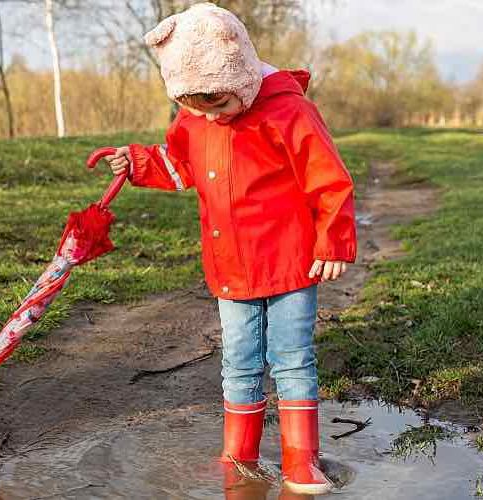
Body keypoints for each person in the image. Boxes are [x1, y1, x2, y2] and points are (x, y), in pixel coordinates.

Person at [104, 3, 356, 495]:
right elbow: (180, 165)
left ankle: (300, 461)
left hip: (290, 263)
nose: (207, 115)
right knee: (239, 360)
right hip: (231, 269)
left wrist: (334, 241)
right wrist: (136, 163)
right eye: (194, 105)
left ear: (239, 76)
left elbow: (329, 181)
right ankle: (238, 454)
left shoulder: (288, 111)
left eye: (217, 103)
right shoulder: (193, 119)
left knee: (291, 358)